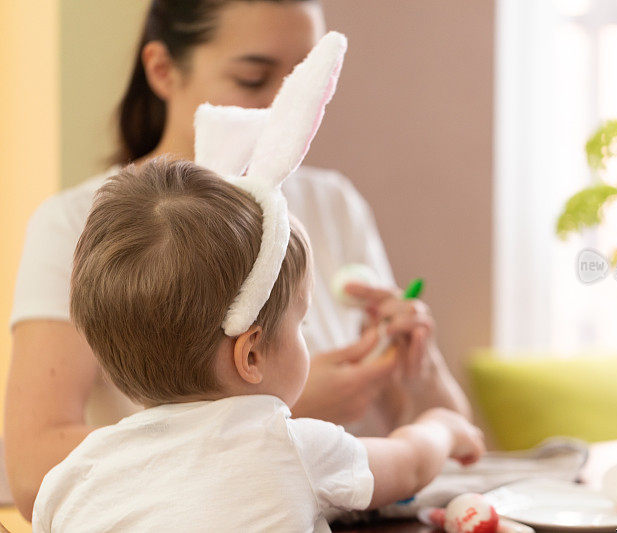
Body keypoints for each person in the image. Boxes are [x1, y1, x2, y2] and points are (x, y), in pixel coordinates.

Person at [6, 0, 470, 520]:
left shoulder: (332, 204)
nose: (286, 107)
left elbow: (454, 446)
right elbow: (30, 475)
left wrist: (417, 364)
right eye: (254, 78)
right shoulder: (77, 225)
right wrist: (273, 414)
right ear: (161, 69)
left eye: (304, 82)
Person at [31, 159, 485, 532]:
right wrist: (443, 427)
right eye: (301, 324)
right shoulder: (291, 446)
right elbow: (408, 465)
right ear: (251, 355)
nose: (306, 336)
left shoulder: (73, 476)